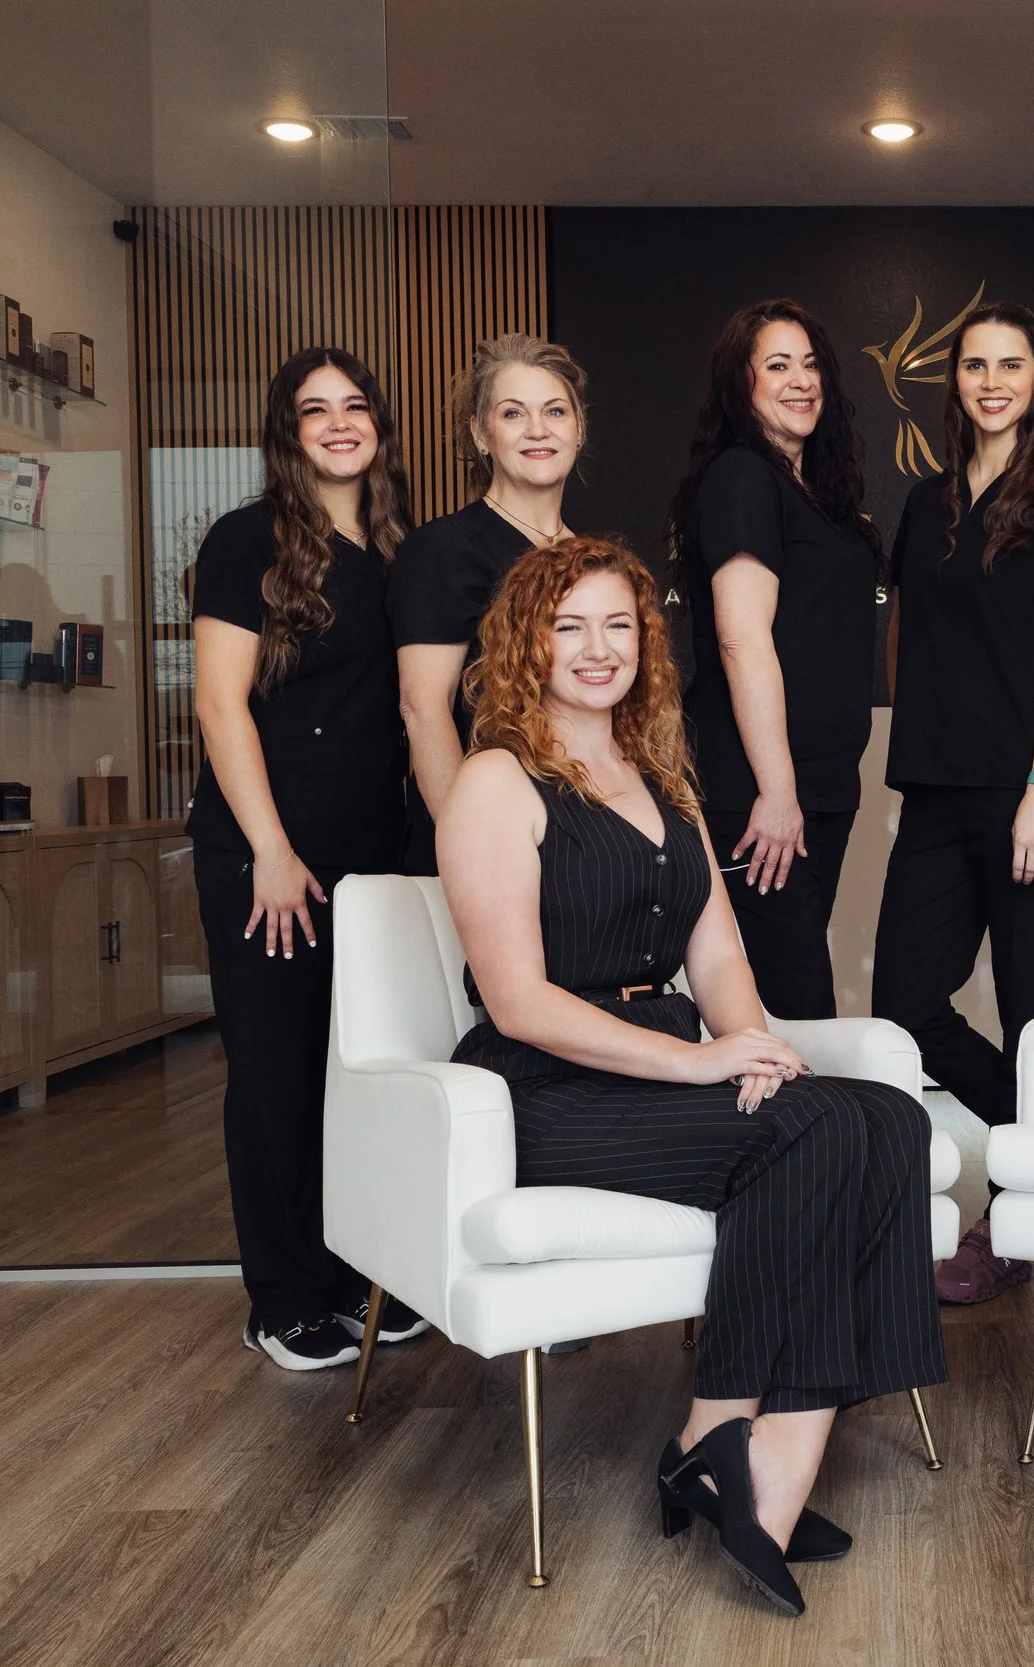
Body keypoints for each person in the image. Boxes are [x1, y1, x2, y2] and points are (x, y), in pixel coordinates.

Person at [438, 535, 943, 1620]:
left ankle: (763, 1451)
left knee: (889, 1120)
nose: (596, 646)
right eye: (568, 623)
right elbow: (518, 999)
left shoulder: (659, 771)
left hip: (661, 1055)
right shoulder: (494, 780)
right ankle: (722, 1434)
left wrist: (752, 1045)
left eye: (618, 623)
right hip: (544, 1083)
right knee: (817, 1134)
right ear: (526, 638)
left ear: (644, 642)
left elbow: (716, 952)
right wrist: (700, 1060)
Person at [187, 346, 426, 1370]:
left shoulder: (402, 549)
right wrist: (269, 849)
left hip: (380, 857)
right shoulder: (247, 539)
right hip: (272, 857)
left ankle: (349, 1276)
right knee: (277, 1072)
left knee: (360, 1071)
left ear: (379, 424)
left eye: (355, 405)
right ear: (286, 431)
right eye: (314, 408)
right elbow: (216, 701)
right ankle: (283, 1296)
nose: (338, 423)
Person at [872, 301, 1034, 1305]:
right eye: (975, 363)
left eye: (1011, 362)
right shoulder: (926, 505)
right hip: (933, 789)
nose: (991, 379)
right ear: (954, 380)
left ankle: (1010, 1223)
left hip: (1033, 793)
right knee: (903, 1007)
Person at [670, 300, 881, 1017]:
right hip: (759, 793)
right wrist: (778, 789)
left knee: (781, 1006)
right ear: (742, 384)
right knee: (796, 1008)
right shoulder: (740, 477)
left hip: (818, 791)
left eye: (811, 363)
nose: (801, 380)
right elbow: (741, 637)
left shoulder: (816, 494)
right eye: (778, 365)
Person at [391, 335, 588, 875]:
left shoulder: (594, 562)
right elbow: (424, 708)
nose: (538, 430)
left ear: (579, 427)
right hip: (491, 846)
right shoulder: (443, 551)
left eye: (554, 410)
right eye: (512, 413)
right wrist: (477, 850)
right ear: (481, 433)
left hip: (579, 836)